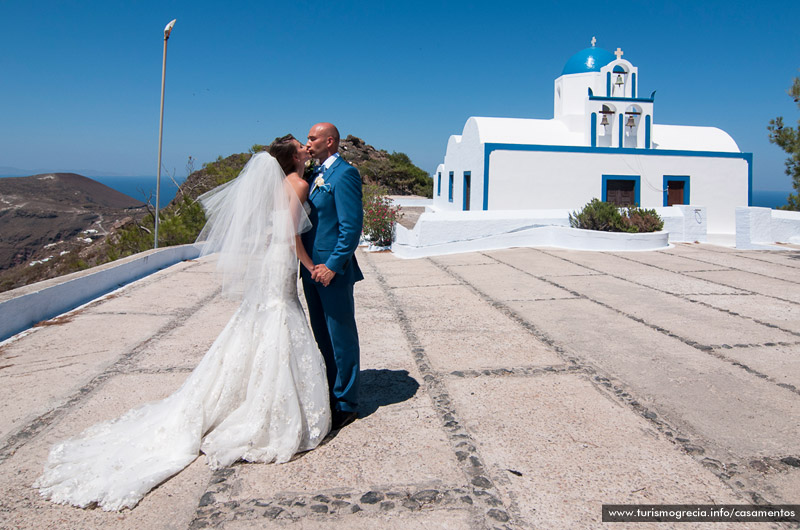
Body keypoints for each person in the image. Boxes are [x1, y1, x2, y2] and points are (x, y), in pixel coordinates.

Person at [34, 139, 331, 511]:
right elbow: (289, 235)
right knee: (280, 319)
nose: (306, 147)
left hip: (270, 259)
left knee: (262, 321)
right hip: (282, 260)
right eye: (301, 146)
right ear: (293, 158)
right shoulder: (299, 185)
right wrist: (309, 266)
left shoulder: (277, 184)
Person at [301, 123, 364, 431]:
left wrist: (333, 264)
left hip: (331, 272)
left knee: (341, 336)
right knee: (321, 334)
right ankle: (329, 388)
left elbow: (351, 228)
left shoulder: (346, 174)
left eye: (312, 138)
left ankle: (347, 401)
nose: (307, 142)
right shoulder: (311, 174)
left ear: (330, 141)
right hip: (309, 269)